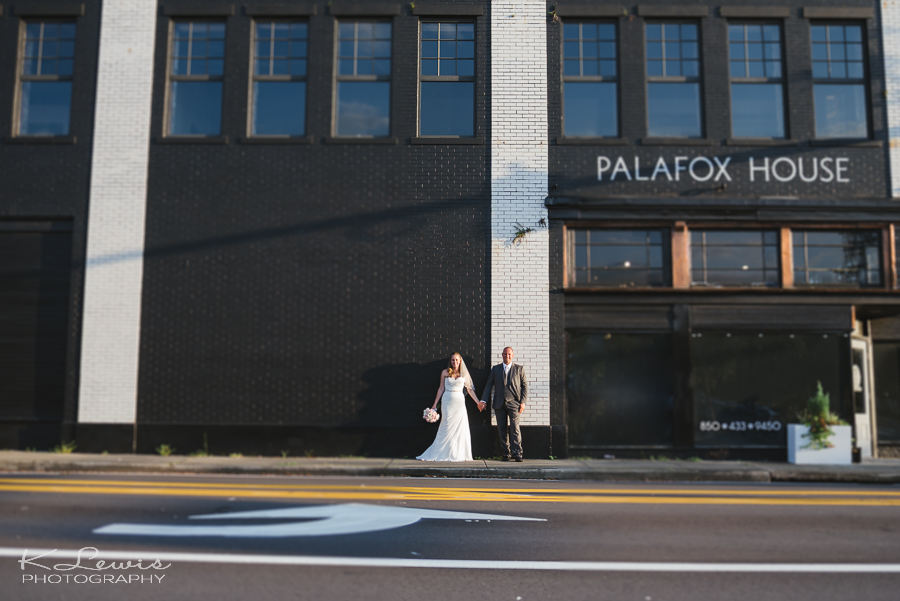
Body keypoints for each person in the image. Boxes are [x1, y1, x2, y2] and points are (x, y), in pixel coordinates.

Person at [417, 353, 486, 461]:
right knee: (446, 425)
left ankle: (456, 453)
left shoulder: (464, 374)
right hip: (447, 401)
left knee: (459, 428)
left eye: (457, 360)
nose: (455, 362)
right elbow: (440, 389)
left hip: (459, 403)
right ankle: (442, 452)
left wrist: (478, 402)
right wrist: (435, 404)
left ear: (460, 361)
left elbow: (470, 390)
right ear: (451, 361)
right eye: (453, 360)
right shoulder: (444, 372)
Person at [481, 347, 527, 462]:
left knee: (515, 428)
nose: (507, 356)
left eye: (509, 354)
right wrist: (483, 400)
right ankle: (506, 453)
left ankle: (517, 453)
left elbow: (524, 386)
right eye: (505, 354)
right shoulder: (495, 369)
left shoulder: (519, 369)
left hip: (514, 403)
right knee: (502, 429)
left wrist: (523, 402)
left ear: (513, 355)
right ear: (502, 355)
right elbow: (489, 385)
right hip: (499, 404)